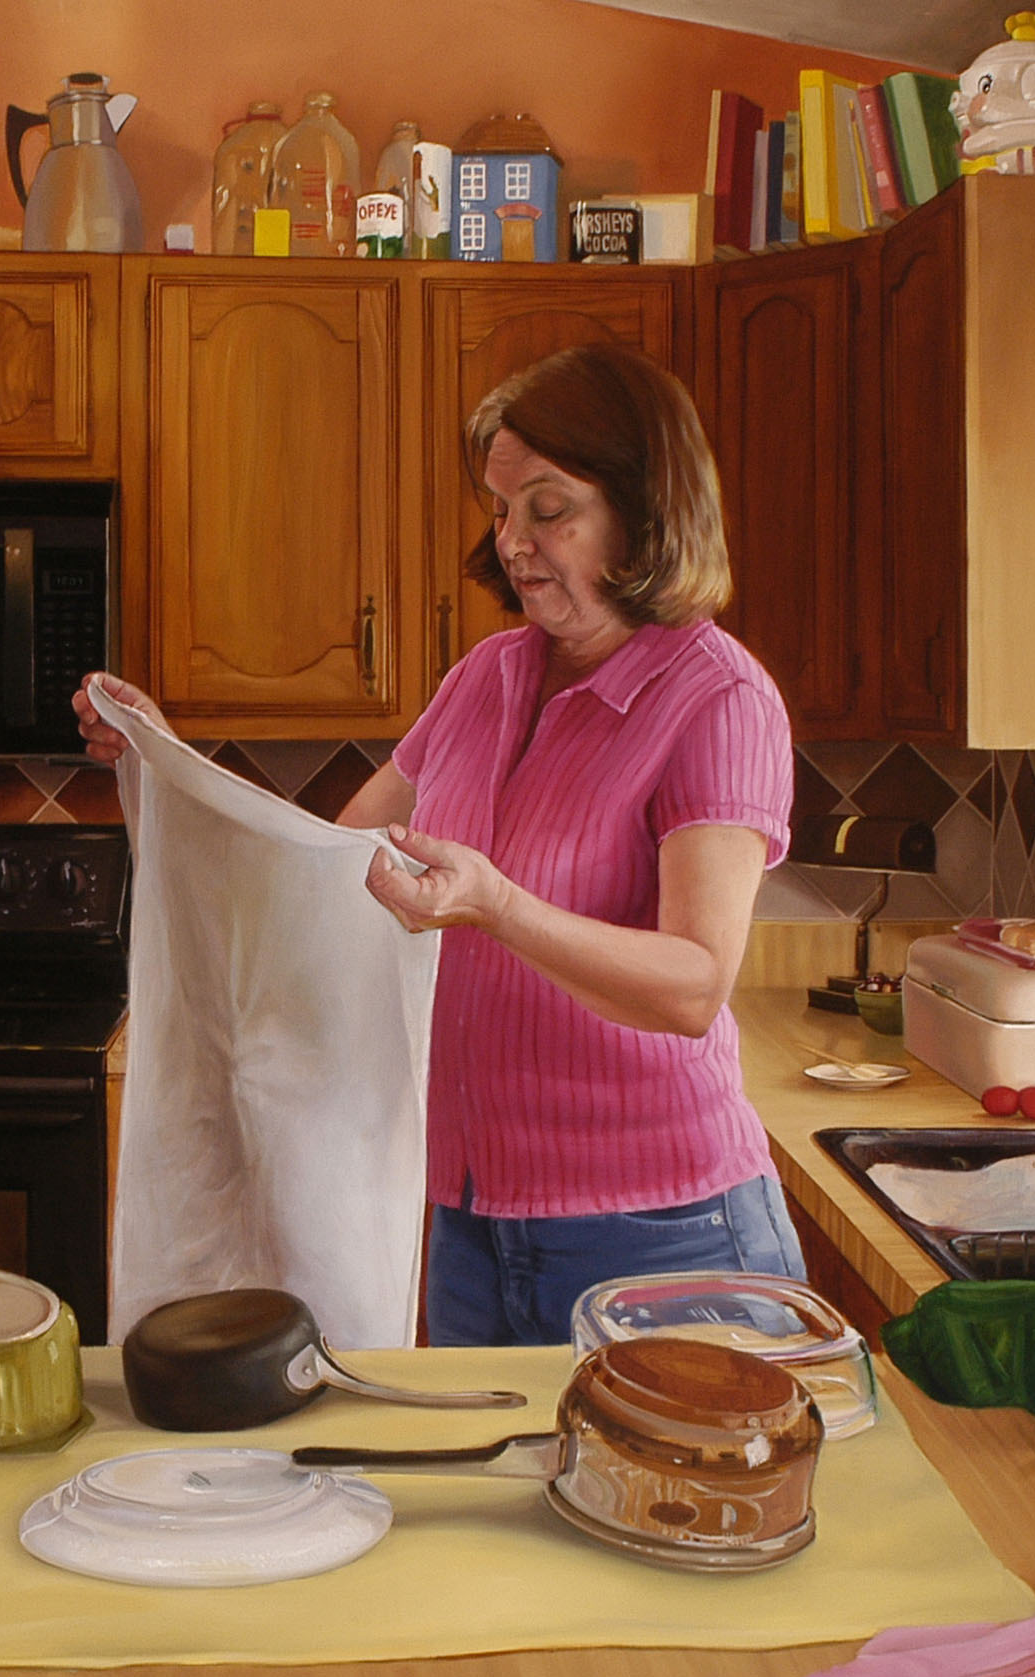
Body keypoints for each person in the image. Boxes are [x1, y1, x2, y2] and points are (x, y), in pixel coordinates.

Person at [74, 341, 804, 1346]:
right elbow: (321, 868)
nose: (511, 542)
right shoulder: (486, 679)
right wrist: (166, 765)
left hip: (662, 1237)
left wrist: (497, 907)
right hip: (467, 1227)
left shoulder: (719, 700)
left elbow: (692, 987)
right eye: (501, 511)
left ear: (645, 509)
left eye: (548, 511)